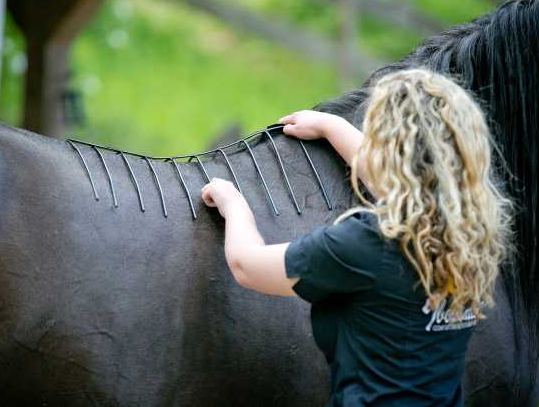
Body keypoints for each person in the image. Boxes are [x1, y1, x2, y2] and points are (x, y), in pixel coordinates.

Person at [200, 68, 514, 406]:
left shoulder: (369, 245)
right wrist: (329, 125)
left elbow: (247, 266)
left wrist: (234, 205)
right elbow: (401, 182)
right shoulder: (471, 237)